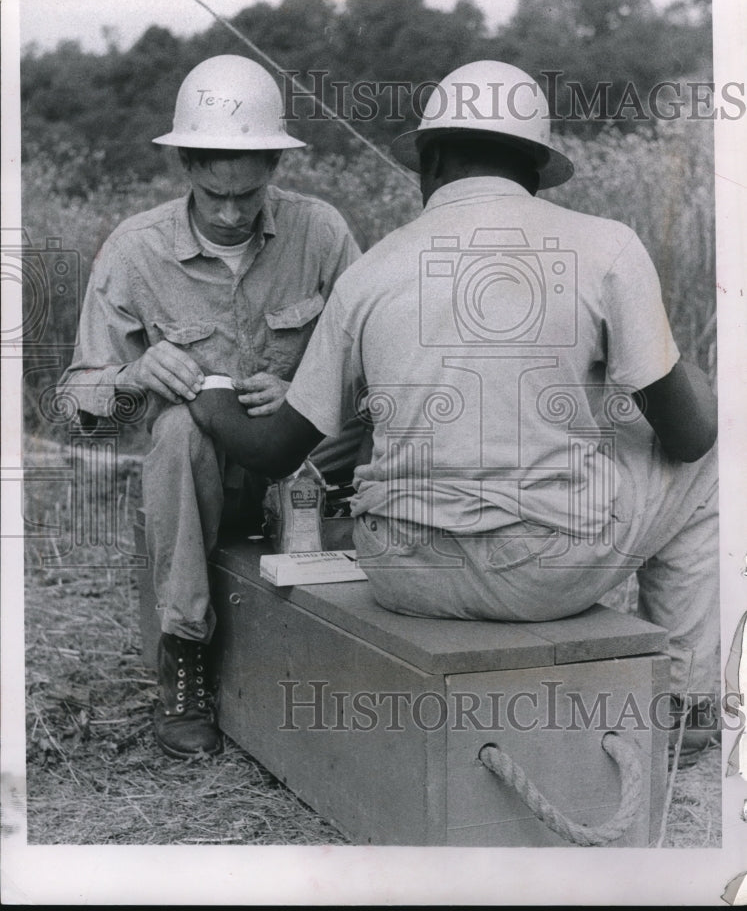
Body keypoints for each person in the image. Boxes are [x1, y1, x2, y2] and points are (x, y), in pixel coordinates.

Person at [186, 60, 720, 765]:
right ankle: (682, 705)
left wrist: (211, 392)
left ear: (429, 160)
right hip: (540, 572)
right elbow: (688, 438)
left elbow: (276, 450)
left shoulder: (368, 271)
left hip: (404, 571)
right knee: (719, 453)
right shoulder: (606, 245)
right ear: (534, 165)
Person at [58, 55, 362, 759]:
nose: (230, 214)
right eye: (213, 193)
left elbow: (375, 357)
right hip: (204, 488)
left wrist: (310, 390)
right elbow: (83, 408)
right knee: (175, 431)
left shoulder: (321, 233)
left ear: (273, 173)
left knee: (386, 416)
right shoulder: (135, 251)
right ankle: (185, 655)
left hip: (307, 469)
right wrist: (133, 373)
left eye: (248, 196)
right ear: (185, 169)